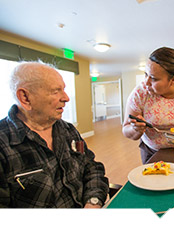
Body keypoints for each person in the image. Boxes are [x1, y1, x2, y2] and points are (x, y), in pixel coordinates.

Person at [0, 62, 109, 208]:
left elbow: (92, 167)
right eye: (55, 91)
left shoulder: (68, 131)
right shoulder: (4, 145)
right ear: (25, 97)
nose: (66, 98)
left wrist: (93, 202)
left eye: (63, 89)